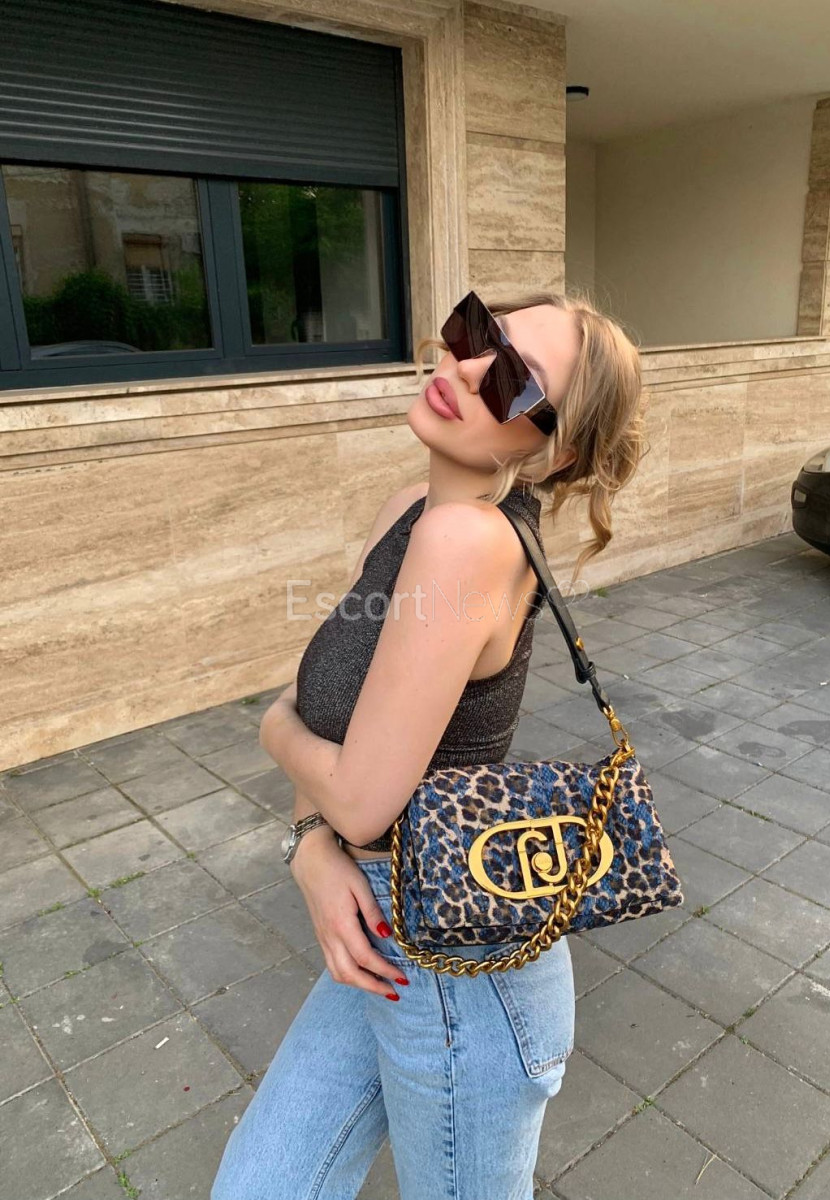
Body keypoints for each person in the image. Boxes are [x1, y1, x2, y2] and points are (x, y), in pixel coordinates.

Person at [210, 288, 646, 1200]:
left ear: (557, 450)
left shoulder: (466, 540)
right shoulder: (410, 509)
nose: (470, 368)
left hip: (463, 977)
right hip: (381, 933)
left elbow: (358, 790)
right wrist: (310, 846)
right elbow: (330, 719)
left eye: (516, 381)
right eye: (480, 334)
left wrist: (270, 730)